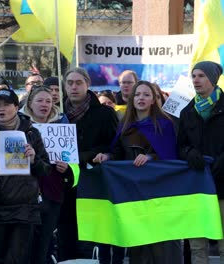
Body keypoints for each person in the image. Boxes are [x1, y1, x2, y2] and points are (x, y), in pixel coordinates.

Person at [93, 80, 181, 264]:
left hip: (158, 193)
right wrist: (106, 156)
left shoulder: (164, 124)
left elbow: (171, 156)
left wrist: (150, 158)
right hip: (132, 192)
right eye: (138, 94)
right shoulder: (125, 124)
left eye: (146, 95)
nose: (141, 98)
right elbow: (118, 152)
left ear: (153, 100)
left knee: (161, 243)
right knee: (138, 242)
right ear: (132, 99)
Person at [0, 88, 51, 264]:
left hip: (25, 208)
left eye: (6, 104)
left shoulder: (31, 133)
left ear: (16, 107)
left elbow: (45, 170)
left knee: (16, 259)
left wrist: (33, 160)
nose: (1, 109)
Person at [58, 67, 118, 261]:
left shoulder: (104, 114)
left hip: (93, 182)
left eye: (78, 83)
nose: (74, 87)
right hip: (63, 182)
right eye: (70, 83)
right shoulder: (57, 113)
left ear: (87, 85)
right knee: (66, 236)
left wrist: (82, 156)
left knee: (88, 238)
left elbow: (113, 147)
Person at [20, 85, 73, 264]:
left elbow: (71, 160)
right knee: (25, 247)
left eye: (49, 101)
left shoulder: (62, 126)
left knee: (44, 246)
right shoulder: (19, 126)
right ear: (30, 103)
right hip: (25, 194)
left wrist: (67, 167)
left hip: (53, 193)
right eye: (40, 100)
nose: (45, 105)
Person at [178, 61, 224, 264]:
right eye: (194, 76)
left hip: (223, 184)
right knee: (197, 246)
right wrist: (189, 153)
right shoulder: (187, 111)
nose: (196, 80)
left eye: (201, 76)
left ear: (213, 79)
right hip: (196, 185)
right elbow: (180, 146)